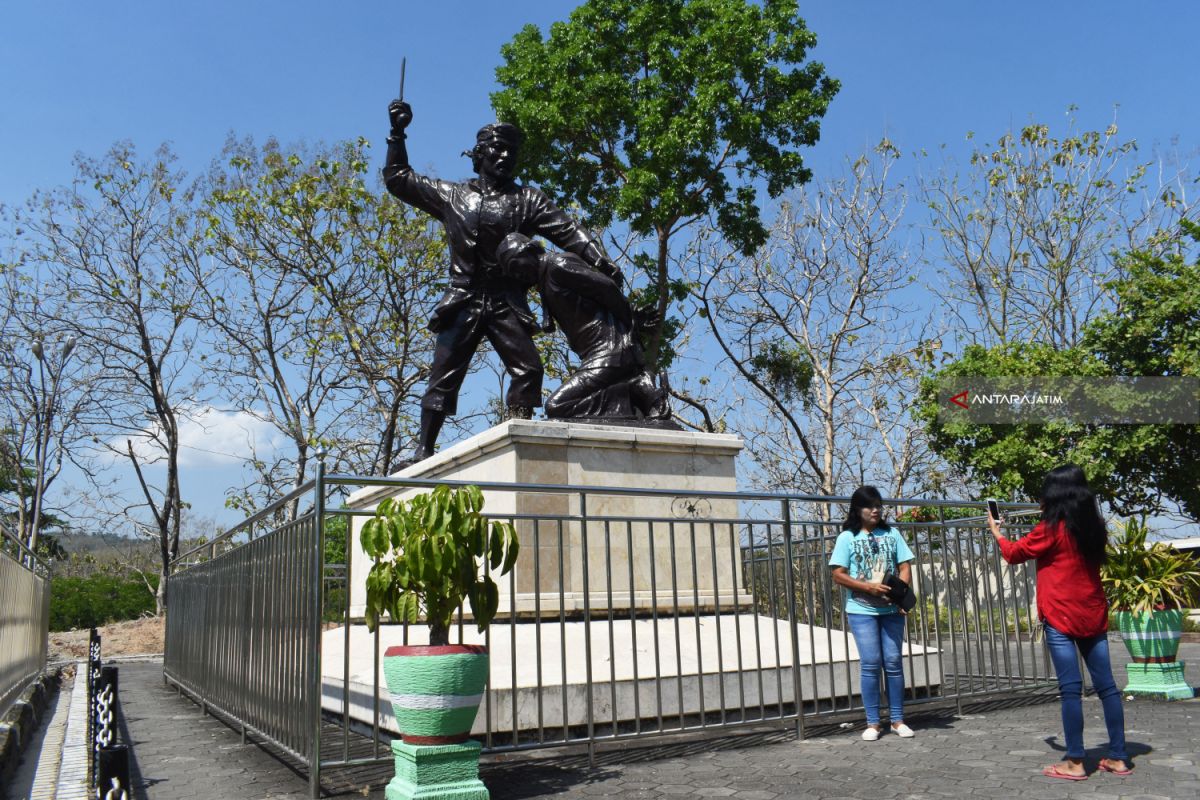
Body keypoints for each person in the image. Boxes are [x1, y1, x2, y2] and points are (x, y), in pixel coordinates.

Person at [383, 100, 623, 462]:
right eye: (497, 148)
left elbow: (570, 231)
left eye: (511, 151)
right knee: (444, 373)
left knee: (529, 368)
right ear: (478, 154)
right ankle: (423, 448)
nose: (505, 156)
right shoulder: (454, 195)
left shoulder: (528, 200)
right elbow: (399, 179)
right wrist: (397, 133)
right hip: (463, 298)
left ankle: (520, 434)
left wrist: (601, 261)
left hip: (506, 300)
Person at [987, 464, 1130, 781]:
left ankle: (1076, 762)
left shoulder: (1051, 528)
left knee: (1070, 690)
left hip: (1060, 614)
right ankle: (1119, 757)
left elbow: (1014, 553)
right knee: (1107, 688)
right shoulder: (1095, 526)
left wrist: (997, 532)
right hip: (1092, 612)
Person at [495, 233, 667, 420]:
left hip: (611, 352)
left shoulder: (558, 265)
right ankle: (635, 390)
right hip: (596, 355)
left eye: (514, 265)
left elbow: (606, 288)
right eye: (510, 272)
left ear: (529, 251)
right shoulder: (545, 279)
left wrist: (631, 321)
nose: (516, 274)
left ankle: (638, 388)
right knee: (562, 406)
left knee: (556, 405)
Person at [828, 485, 916, 740]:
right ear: (858, 509)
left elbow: (904, 566)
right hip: (861, 609)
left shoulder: (892, 533)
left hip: (891, 609)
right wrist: (867, 587)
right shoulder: (847, 538)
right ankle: (873, 723)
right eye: (869, 506)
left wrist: (900, 594)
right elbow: (838, 574)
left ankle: (898, 720)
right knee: (870, 663)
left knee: (893, 662)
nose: (875, 510)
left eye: (878, 504)